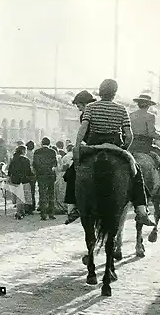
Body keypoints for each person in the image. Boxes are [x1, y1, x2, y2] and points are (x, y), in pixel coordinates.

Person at [64, 87, 154, 226]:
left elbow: (83, 129)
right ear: (114, 93)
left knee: (72, 171)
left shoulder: (91, 108)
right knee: (136, 174)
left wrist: (77, 147)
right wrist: (124, 149)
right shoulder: (121, 109)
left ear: (100, 93)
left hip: (93, 146)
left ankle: (72, 207)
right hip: (115, 146)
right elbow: (129, 135)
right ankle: (141, 210)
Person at [32, 137, 57, 221]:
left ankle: (43, 214)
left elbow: (34, 164)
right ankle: (51, 214)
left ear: (42, 143)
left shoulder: (37, 152)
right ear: (49, 143)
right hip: (50, 175)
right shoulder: (53, 152)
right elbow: (55, 164)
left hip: (41, 175)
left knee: (42, 194)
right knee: (51, 194)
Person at [7, 145, 33, 218]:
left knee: (18, 196)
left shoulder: (13, 159)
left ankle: (19, 211)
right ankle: (21, 211)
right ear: (23, 151)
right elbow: (28, 171)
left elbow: (10, 170)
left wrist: (9, 177)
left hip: (15, 180)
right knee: (25, 196)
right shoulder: (26, 160)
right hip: (24, 180)